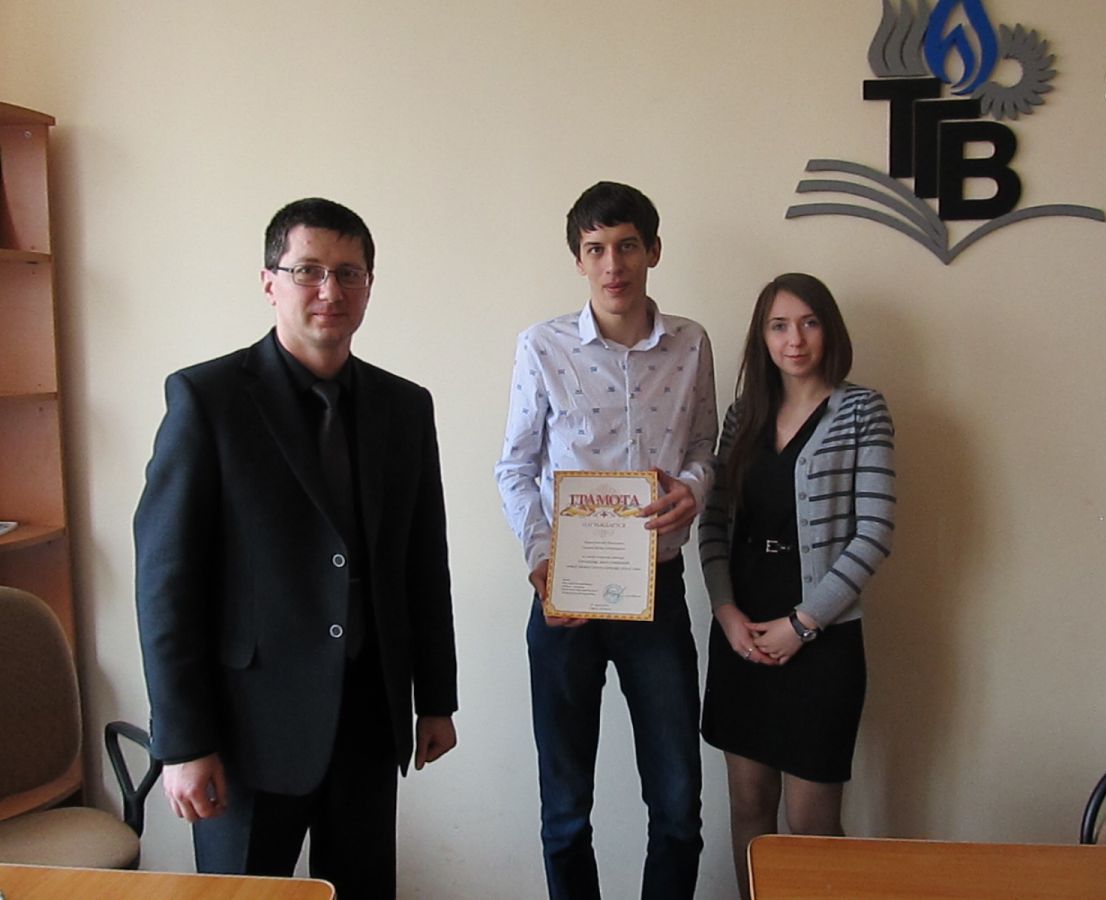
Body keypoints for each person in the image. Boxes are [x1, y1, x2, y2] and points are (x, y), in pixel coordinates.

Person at [134, 197, 459, 900]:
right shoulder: (207, 399)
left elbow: (421, 563)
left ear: (369, 285)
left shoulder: (405, 407)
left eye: (349, 273)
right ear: (269, 282)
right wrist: (183, 742)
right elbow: (166, 582)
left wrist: (436, 698)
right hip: (245, 731)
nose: (329, 290)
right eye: (308, 270)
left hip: (367, 717)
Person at [494, 181, 717, 900]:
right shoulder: (543, 346)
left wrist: (693, 488)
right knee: (565, 814)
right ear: (578, 259)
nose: (612, 264)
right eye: (595, 249)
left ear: (654, 251)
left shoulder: (691, 344)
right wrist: (540, 560)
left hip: (659, 591)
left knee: (678, 809)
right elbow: (514, 467)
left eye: (626, 246)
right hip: (567, 596)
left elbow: (704, 446)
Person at [697, 273, 896, 900]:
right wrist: (726, 611)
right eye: (779, 325)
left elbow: (875, 531)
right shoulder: (742, 416)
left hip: (823, 640)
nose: (795, 339)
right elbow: (714, 524)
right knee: (749, 807)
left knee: (812, 823)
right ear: (761, 336)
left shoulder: (862, 410)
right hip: (742, 633)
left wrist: (804, 624)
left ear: (829, 329)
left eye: (809, 323)